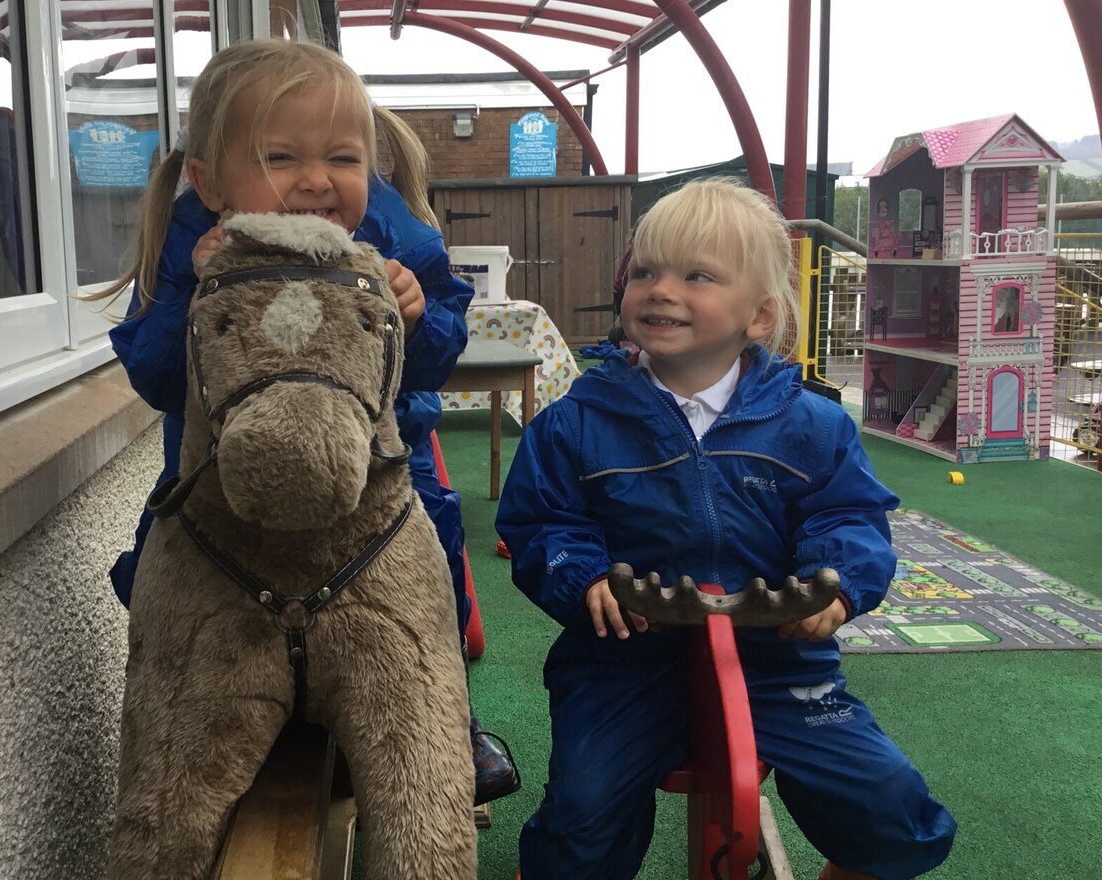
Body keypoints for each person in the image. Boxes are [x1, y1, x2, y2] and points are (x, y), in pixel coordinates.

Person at [93, 37, 517, 804]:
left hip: (377, 468)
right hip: (223, 474)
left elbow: (429, 369)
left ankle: (450, 720)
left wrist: (418, 320)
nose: (317, 181)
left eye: (343, 159)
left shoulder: (389, 235)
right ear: (210, 179)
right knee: (170, 551)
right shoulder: (192, 240)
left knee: (432, 548)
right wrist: (194, 289)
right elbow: (156, 375)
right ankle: (187, 709)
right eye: (280, 157)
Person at [496, 178, 956, 880]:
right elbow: (541, 520)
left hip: (775, 655)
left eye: (697, 276)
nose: (660, 289)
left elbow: (848, 516)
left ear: (760, 315)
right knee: (583, 810)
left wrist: (833, 590)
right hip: (625, 656)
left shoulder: (811, 425)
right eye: (644, 271)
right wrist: (580, 574)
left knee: (889, 805)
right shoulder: (577, 422)